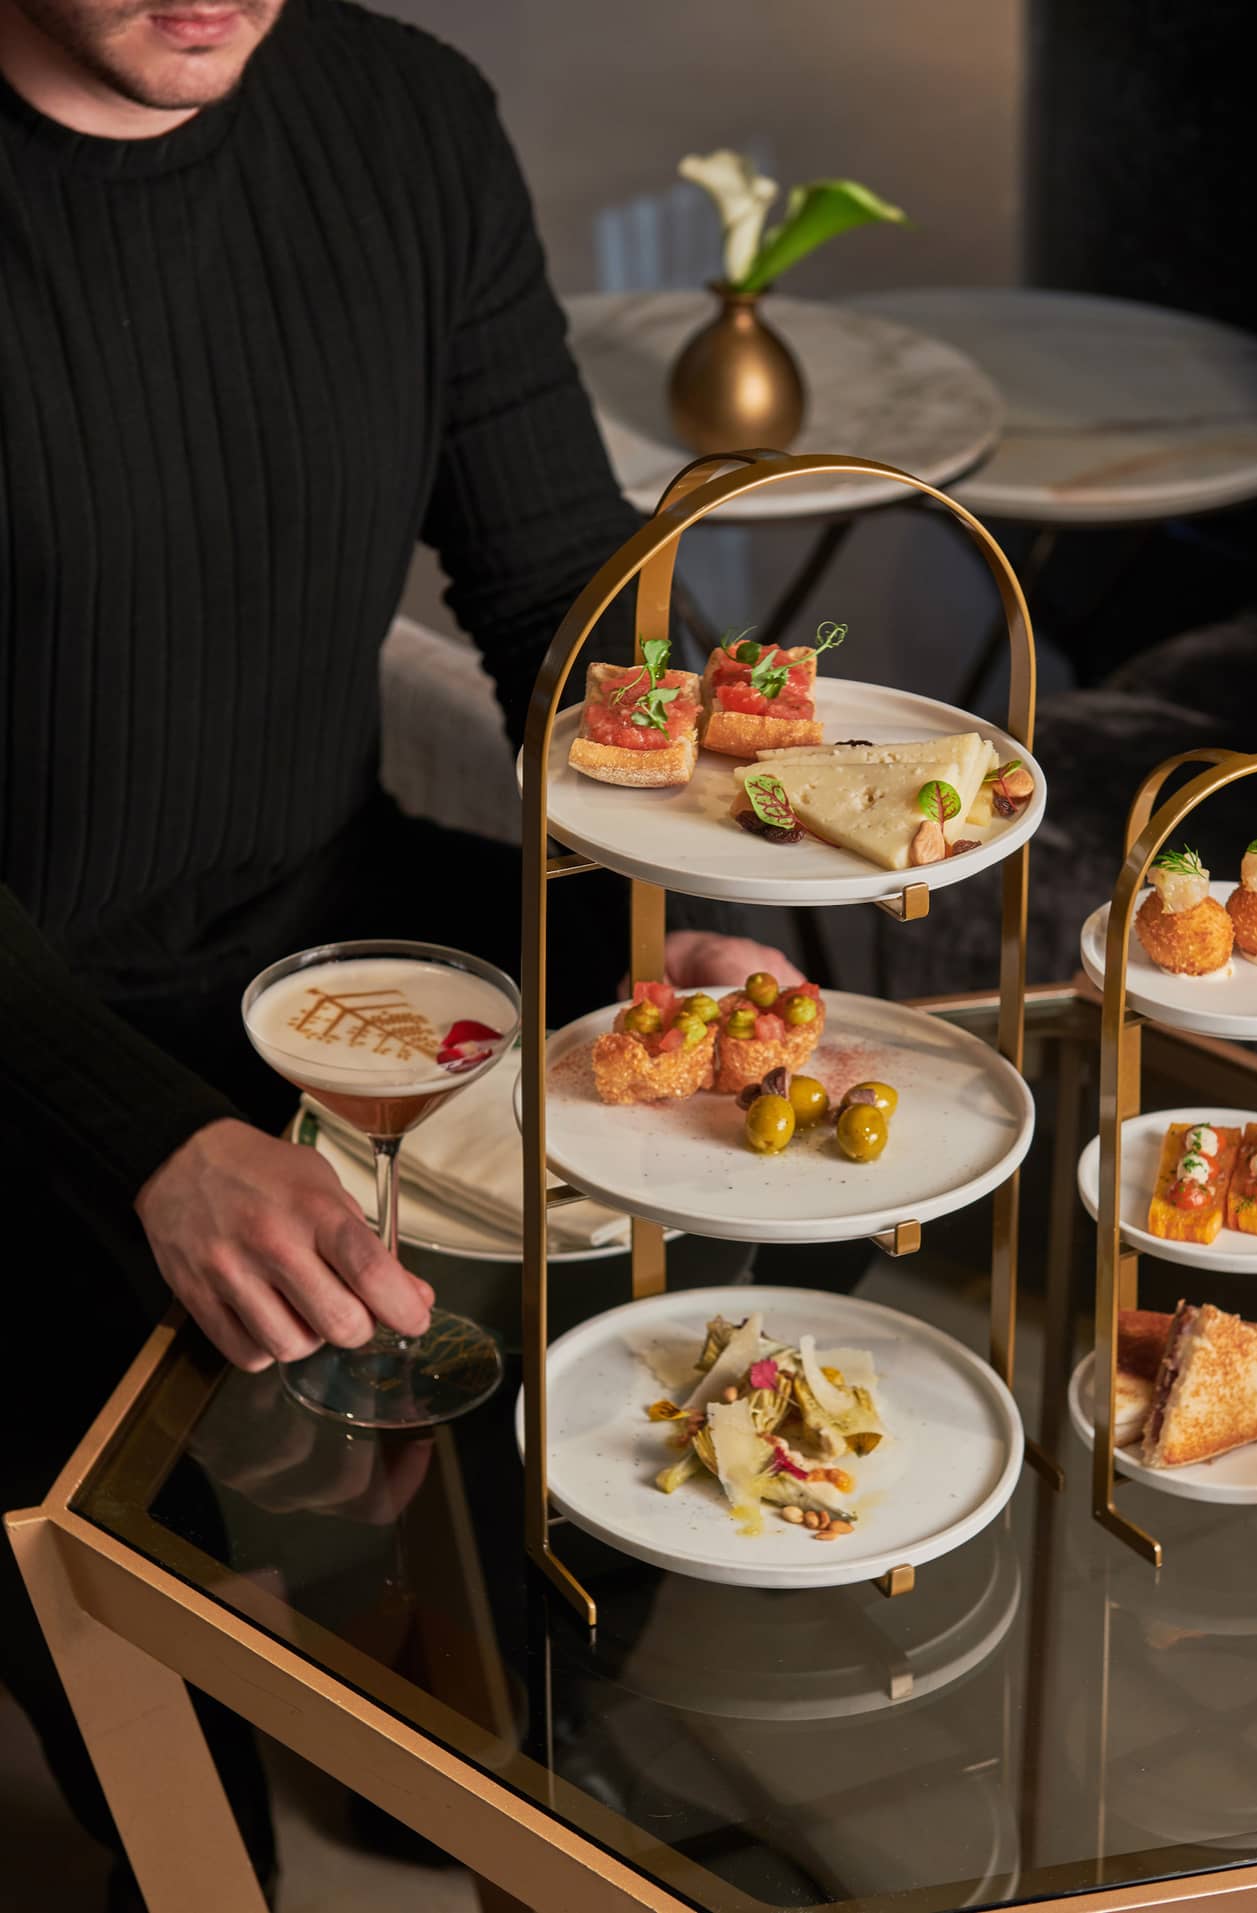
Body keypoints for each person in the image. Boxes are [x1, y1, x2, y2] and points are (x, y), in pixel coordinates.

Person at [0, 1, 788, 1902]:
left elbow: (549, 582)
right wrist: (150, 1142)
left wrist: (659, 884)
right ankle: (188, 1839)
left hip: (320, 913)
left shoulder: (402, 116)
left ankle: (505, 1731)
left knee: (724, 1151)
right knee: (131, 1590)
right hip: (26, 1020)